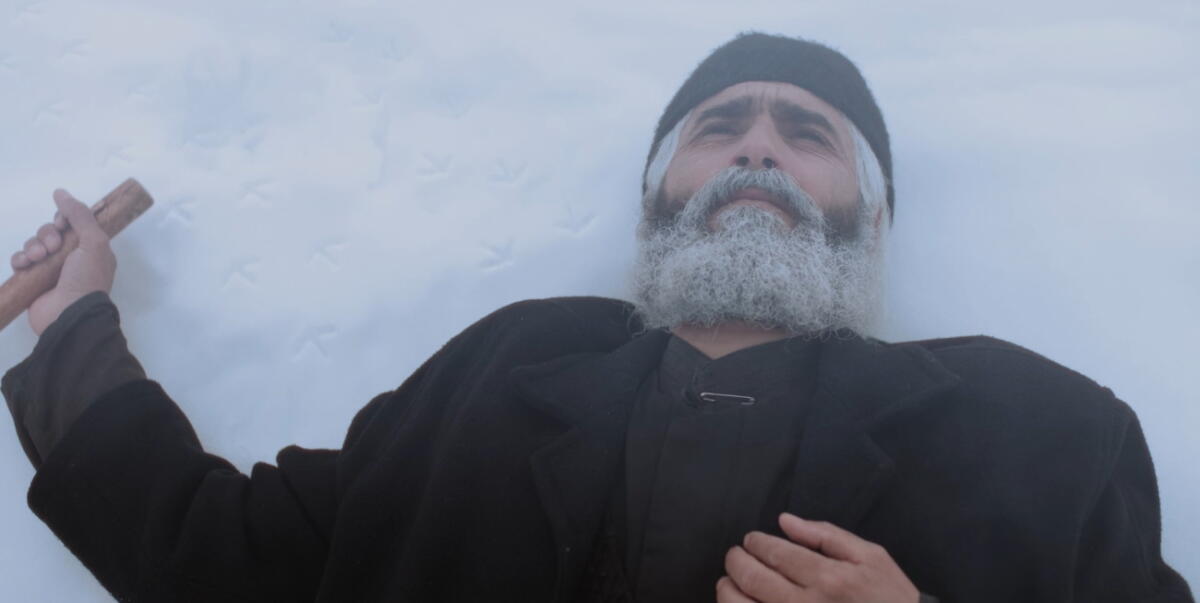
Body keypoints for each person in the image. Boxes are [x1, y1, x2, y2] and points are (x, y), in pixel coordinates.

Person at [3, 32, 1192, 603]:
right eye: (719, 130)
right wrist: (74, 321)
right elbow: (214, 560)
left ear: (873, 222)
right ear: (656, 203)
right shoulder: (497, 376)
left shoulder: (1045, 435)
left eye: (807, 135)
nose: (758, 150)